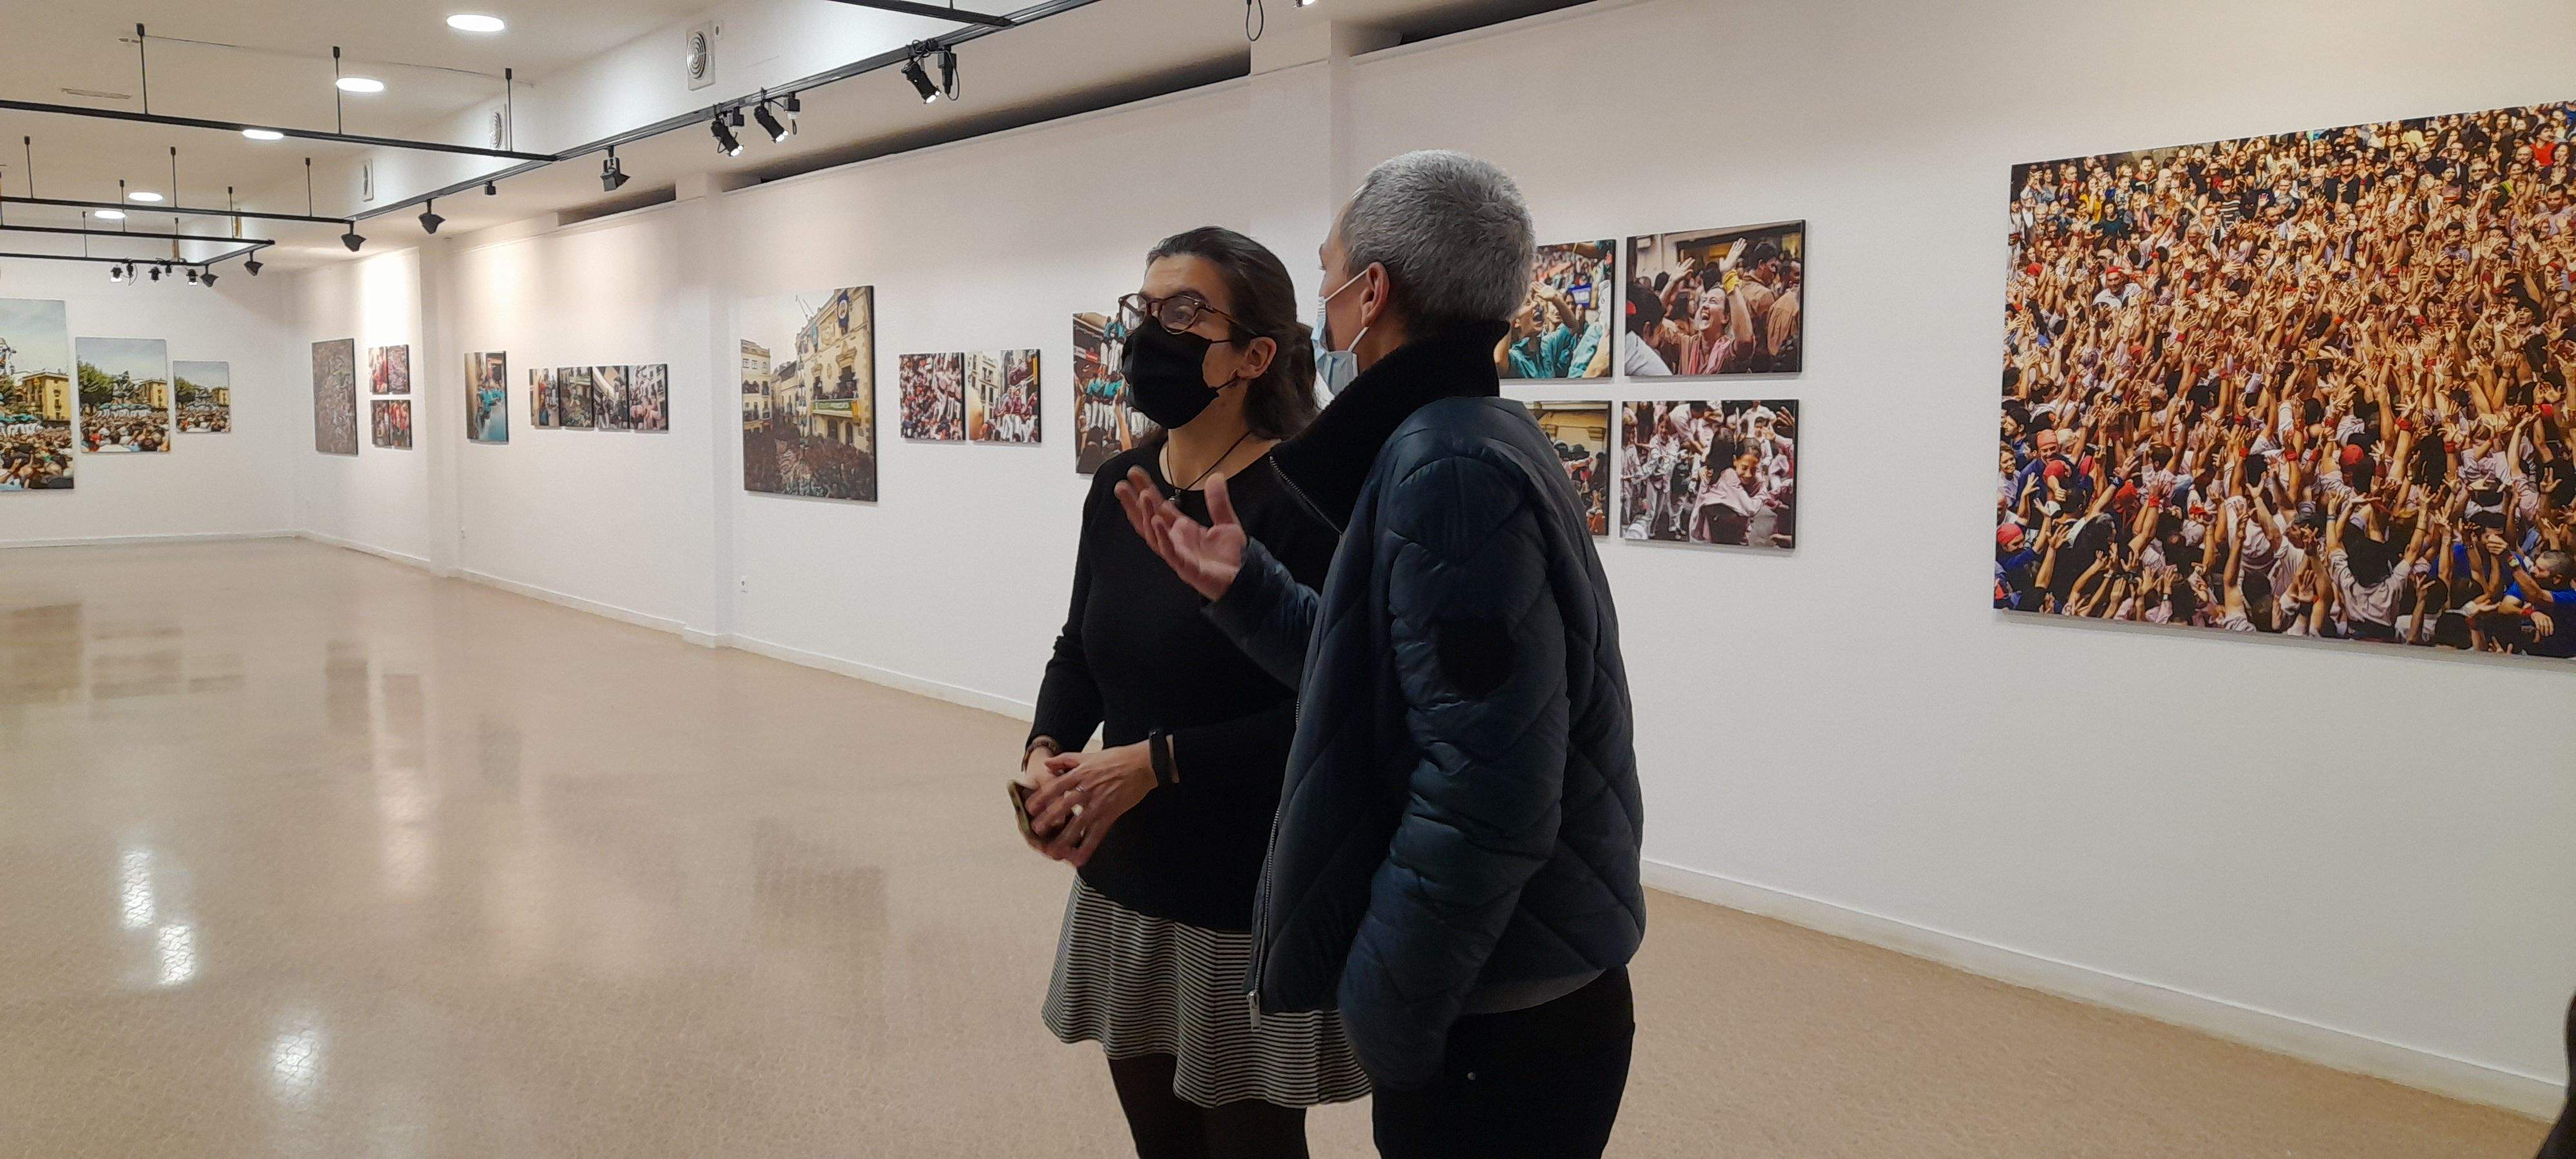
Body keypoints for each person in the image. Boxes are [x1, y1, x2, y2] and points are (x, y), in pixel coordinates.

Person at [1115, 151, 1645, 1159]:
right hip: (1517, 990)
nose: (1324, 307)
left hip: (1502, 1015)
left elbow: (1487, 795)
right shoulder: (1469, 431)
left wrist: (1388, 1010)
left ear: (1375, 293)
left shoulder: (1448, 469)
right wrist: (1249, 589)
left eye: (1328, 280)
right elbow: (1403, 684)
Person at [1018, 226, 1362, 1159]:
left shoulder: (1305, 505)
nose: (1149, 335)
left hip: (1241, 895)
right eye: (1144, 308)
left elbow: (1339, 714)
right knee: (1161, 1145)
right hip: (1126, 882)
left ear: (1255, 355)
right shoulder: (1121, 486)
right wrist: (1045, 755)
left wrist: (1160, 764)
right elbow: (1081, 648)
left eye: (1184, 312)